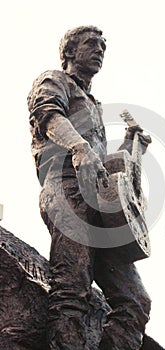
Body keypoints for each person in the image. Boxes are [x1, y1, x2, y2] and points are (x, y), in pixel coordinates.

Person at [28, 26, 151, 350]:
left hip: (99, 198)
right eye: (91, 43)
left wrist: (131, 143)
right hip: (66, 187)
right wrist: (79, 146)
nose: (99, 50)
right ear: (69, 51)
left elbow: (104, 161)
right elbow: (47, 114)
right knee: (72, 286)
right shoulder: (55, 79)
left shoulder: (94, 104)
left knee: (135, 300)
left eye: (103, 46)